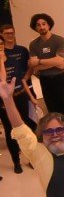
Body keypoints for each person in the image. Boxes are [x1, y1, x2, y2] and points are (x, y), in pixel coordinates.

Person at [29, 13, 64, 124]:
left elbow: (60, 62)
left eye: (44, 24)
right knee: (53, 110)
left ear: (49, 25)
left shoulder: (59, 40)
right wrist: (54, 62)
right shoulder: (33, 45)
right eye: (38, 25)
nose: (41, 27)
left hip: (60, 79)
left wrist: (40, 61)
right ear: (35, 28)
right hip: (45, 81)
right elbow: (35, 66)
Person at [0, 24, 36, 174]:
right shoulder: (2, 56)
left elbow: (22, 76)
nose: (9, 36)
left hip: (21, 95)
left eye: (11, 33)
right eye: (5, 34)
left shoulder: (21, 50)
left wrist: (30, 96)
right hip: (4, 101)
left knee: (30, 125)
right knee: (10, 130)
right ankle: (16, 162)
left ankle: (32, 158)